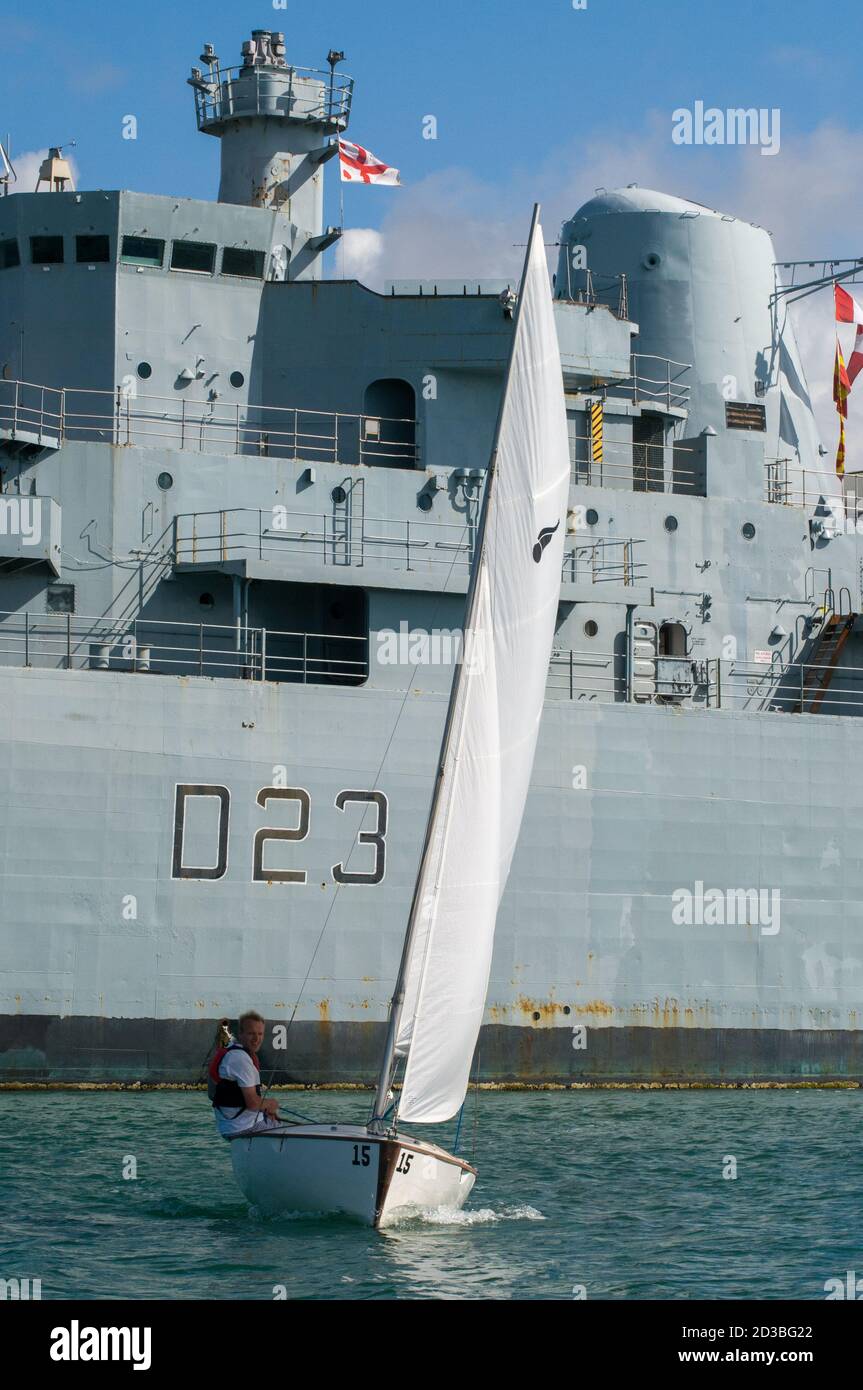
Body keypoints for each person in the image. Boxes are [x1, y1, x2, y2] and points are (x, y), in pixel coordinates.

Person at [209, 1010, 282, 1139]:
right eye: (251, 1034)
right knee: (291, 1132)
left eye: (260, 1034)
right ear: (240, 1034)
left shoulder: (229, 1053)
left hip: (231, 1125)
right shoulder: (240, 1059)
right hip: (245, 1128)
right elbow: (253, 1103)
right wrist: (271, 1104)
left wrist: (263, 1108)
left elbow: (213, 1094)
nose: (257, 1039)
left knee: (279, 1123)